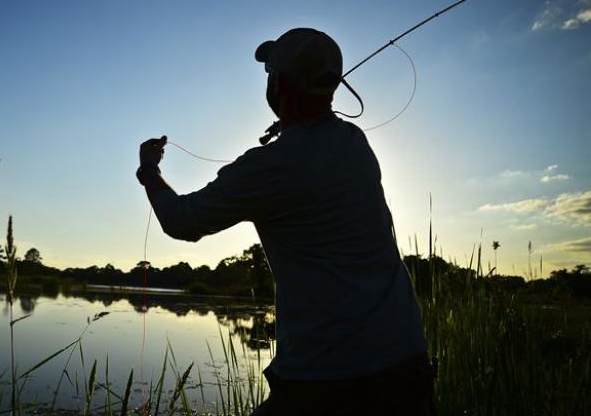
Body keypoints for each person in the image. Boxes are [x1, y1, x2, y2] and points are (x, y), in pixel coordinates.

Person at [136, 28, 435, 415]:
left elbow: (180, 221)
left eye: (269, 74)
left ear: (277, 83)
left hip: (326, 378)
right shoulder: (355, 142)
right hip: (406, 365)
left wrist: (149, 171)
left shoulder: (268, 167)